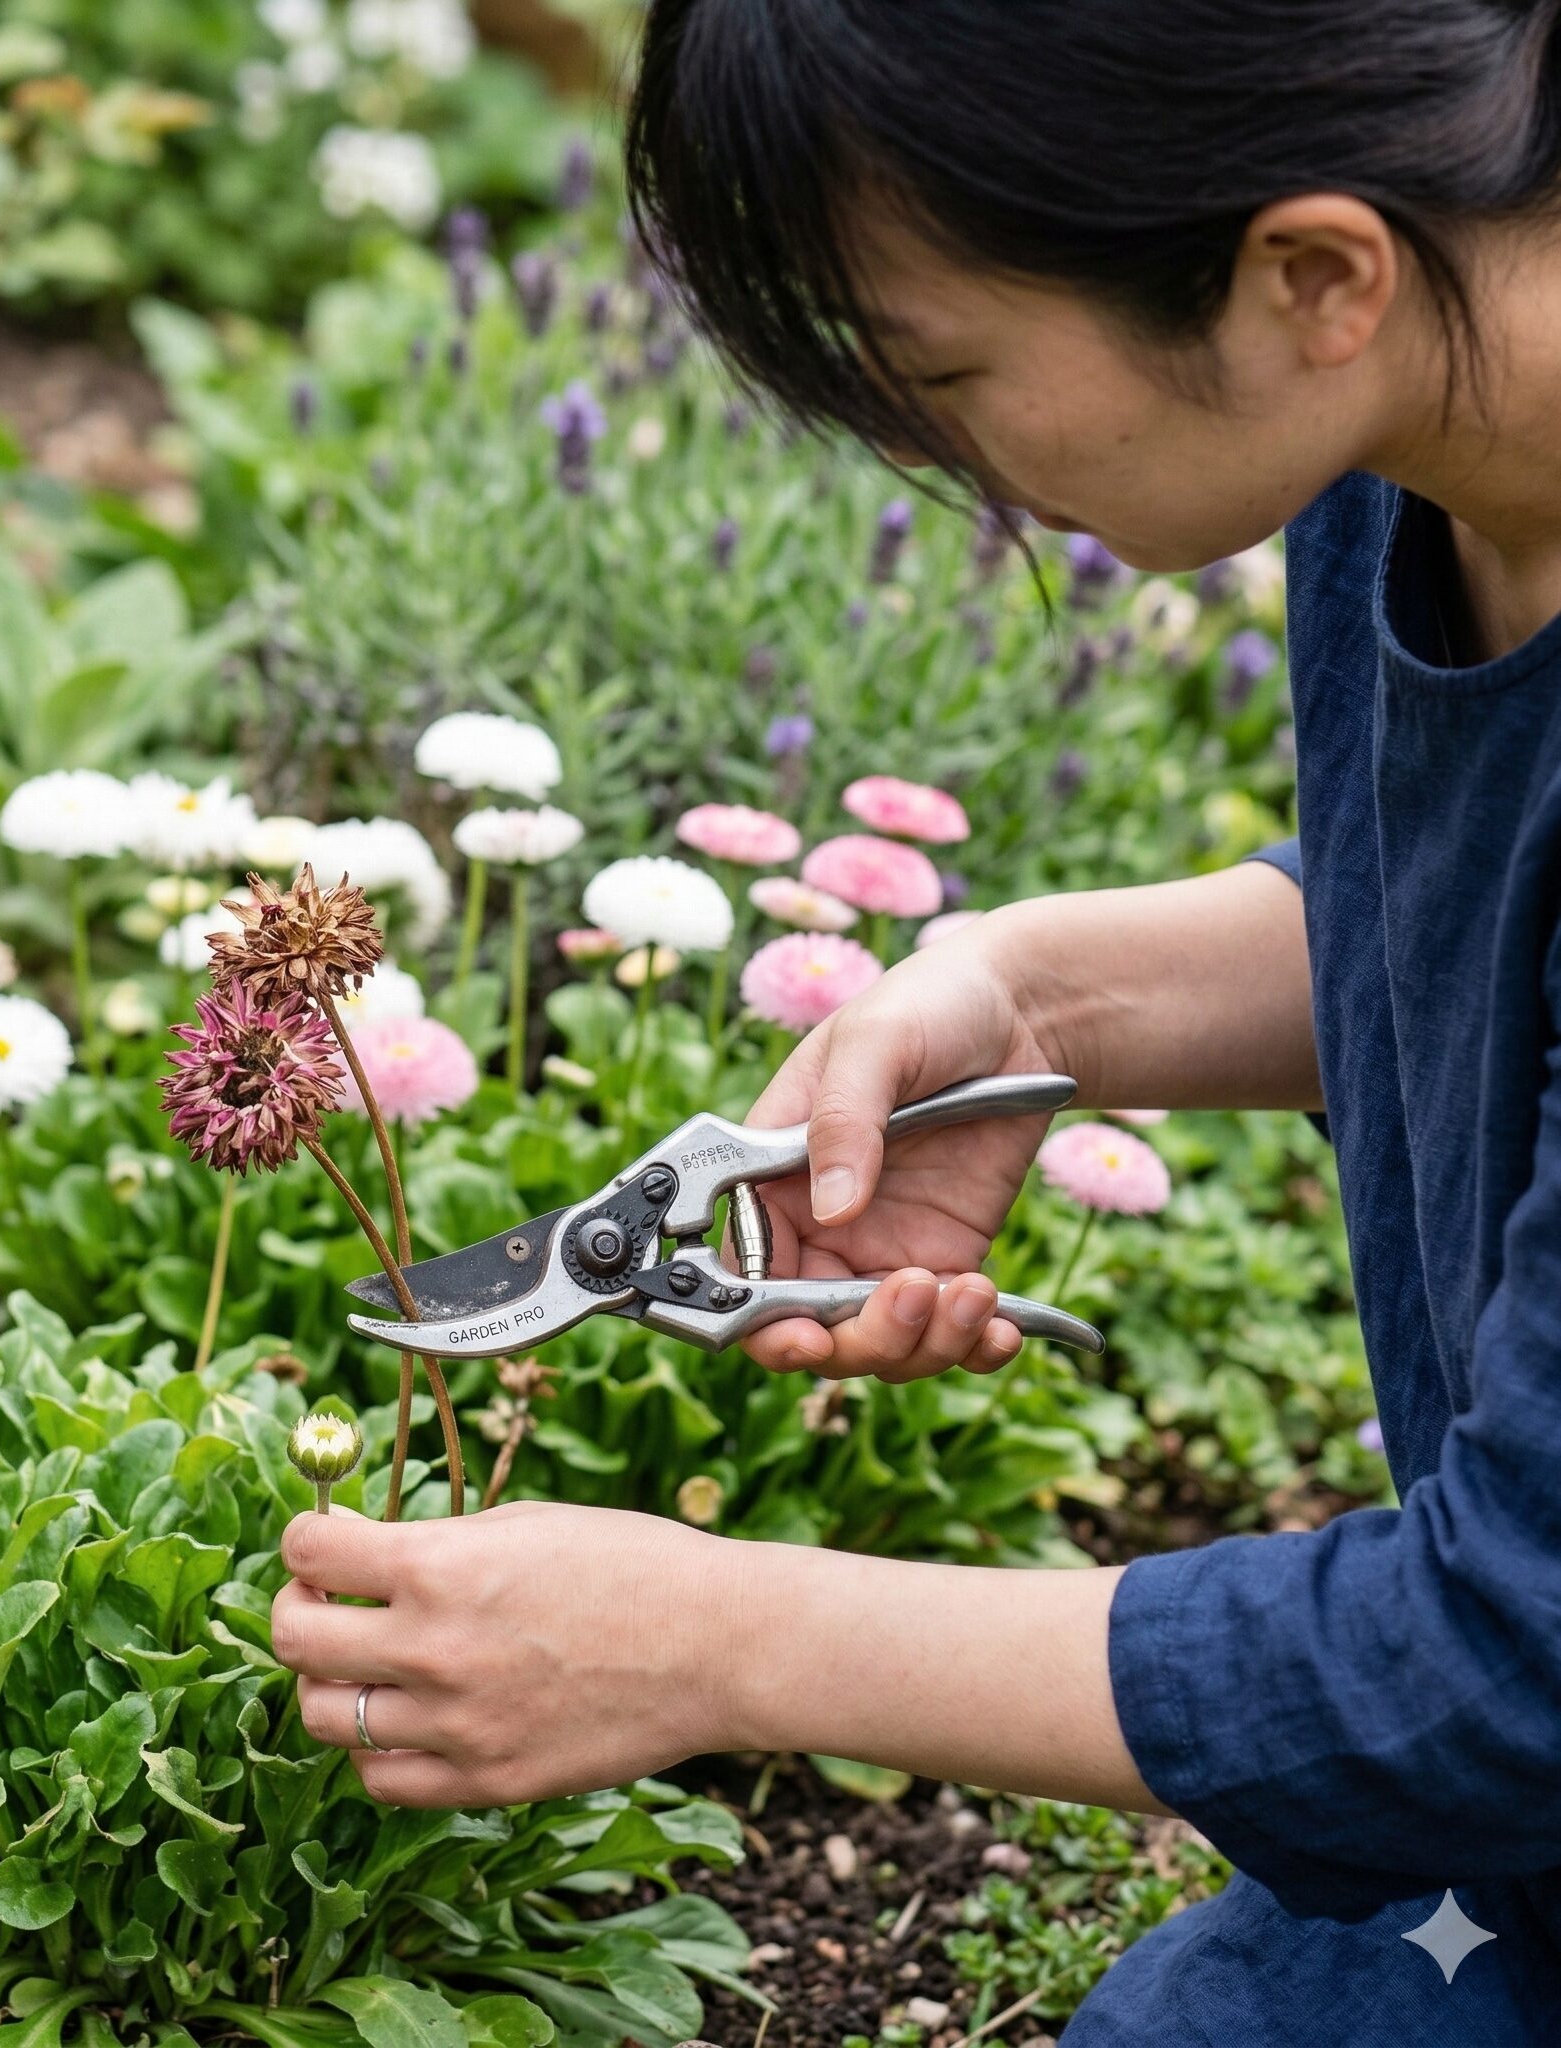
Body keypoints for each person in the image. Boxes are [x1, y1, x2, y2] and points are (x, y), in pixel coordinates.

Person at [269, 4, 1561, 2038]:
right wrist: (1039, 990)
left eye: (943, 373)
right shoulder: (1419, 451)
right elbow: (1477, 927)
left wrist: (721, 1641)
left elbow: (1517, 1662)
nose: (924, 463)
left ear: (1310, 275)